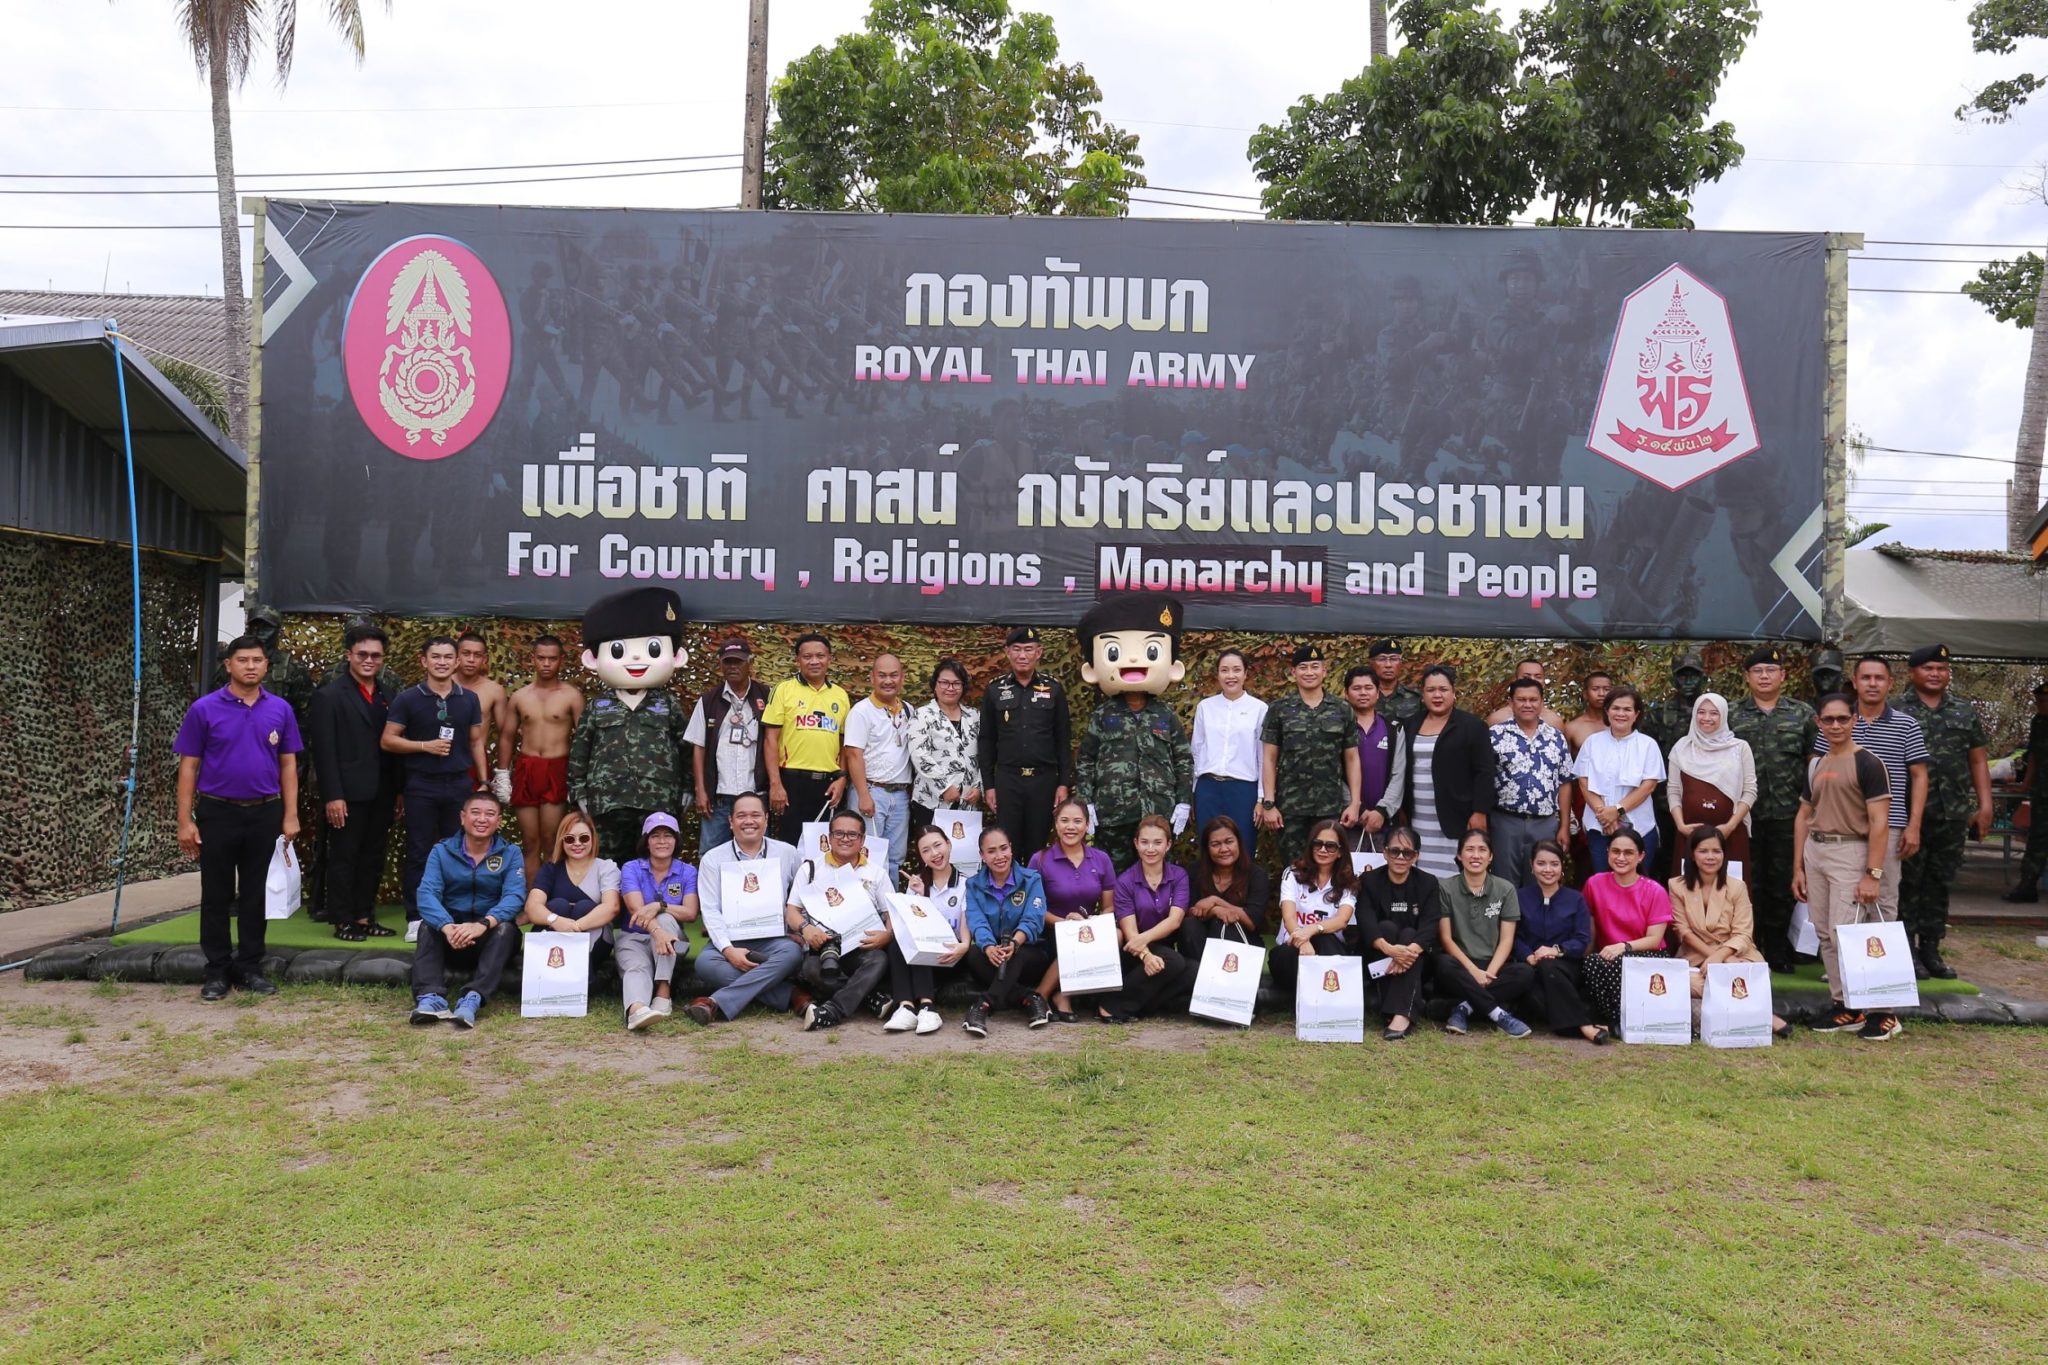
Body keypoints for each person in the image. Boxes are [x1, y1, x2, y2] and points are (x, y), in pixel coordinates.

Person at [174, 633, 303, 1001]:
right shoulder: (204, 709)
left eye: (257, 660)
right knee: (215, 893)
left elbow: (288, 764)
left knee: (255, 894)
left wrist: (291, 814)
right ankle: (216, 970)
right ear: (228, 665)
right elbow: (189, 766)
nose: (250, 666)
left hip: (265, 811)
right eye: (243, 660)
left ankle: (249, 967)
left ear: (266, 665)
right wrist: (185, 821)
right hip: (218, 811)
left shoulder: (280, 709)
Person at [1794, 693, 1901, 1041]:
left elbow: (1880, 822)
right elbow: (1804, 814)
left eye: (1843, 718)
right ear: (1818, 723)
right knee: (1825, 932)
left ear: (1854, 720)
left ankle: (1884, 1011)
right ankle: (1846, 1006)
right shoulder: (1816, 765)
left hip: (1852, 850)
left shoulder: (1868, 763)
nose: (1836, 725)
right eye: (1829, 719)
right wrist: (1798, 867)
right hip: (1816, 851)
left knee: (1854, 934)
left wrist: (1873, 874)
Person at [566, 587, 690, 865]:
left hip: (658, 800)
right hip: (608, 802)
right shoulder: (598, 706)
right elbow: (580, 753)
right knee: (607, 866)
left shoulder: (669, 704)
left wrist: (688, 789)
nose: (635, 659)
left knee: (654, 864)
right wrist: (579, 792)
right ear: (593, 659)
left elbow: (686, 749)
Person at [1072, 593, 1193, 871]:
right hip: (1114, 813)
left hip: (1157, 813)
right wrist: (1086, 802)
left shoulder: (1165, 715)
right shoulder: (1103, 715)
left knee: (1157, 876)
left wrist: (1183, 802)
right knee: (1113, 876)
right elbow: (1087, 760)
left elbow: (1183, 761)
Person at [1813, 655, 1929, 936]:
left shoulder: (1906, 725)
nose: (1872, 684)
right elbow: (1817, 771)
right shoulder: (1837, 721)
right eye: (1866, 678)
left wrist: (1913, 825)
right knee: (1842, 901)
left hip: (1888, 826)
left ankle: (1878, 961)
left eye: (1879, 678)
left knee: (1882, 899)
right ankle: (1842, 959)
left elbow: (1919, 776)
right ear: (1855, 682)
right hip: (1842, 830)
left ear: (1890, 683)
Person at [1897, 643, 1992, 979]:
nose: (1935, 674)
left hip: (1952, 812)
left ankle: (1931, 948)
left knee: (1940, 881)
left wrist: (1985, 804)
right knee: (1907, 883)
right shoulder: (1895, 709)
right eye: (1928, 668)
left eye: (1941, 669)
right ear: (1913, 672)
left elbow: (1977, 759)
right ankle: (1906, 949)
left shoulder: (1964, 711)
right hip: (1908, 812)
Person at [382, 636, 488, 928]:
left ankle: (455, 915)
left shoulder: (469, 699)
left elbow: (476, 742)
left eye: (447, 657)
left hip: (459, 785)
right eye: (436, 657)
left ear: (457, 661)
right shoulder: (408, 698)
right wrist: (424, 746)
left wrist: (484, 782)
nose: (442, 662)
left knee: (459, 851)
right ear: (424, 661)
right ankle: (416, 918)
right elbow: (388, 740)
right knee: (419, 852)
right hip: (421, 785)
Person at [306, 622, 399, 941]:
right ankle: (343, 919)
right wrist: (333, 795)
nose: (369, 660)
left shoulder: (388, 695)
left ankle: (364, 915)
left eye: (376, 655)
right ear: (349, 655)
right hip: (346, 793)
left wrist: (398, 790)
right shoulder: (329, 696)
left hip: (383, 790)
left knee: (373, 855)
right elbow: (324, 751)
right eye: (362, 654)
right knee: (345, 856)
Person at [1729, 645, 1818, 972]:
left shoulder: (1802, 714)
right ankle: (1747, 944)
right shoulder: (1732, 714)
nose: (1764, 676)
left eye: (1770, 670)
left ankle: (1778, 947)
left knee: (1783, 883)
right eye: (1757, 671)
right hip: (1743, 816)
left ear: (1783, 676)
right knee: (1746, 883)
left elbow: (1814, 763)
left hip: (1788, 815)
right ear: (1747, 677)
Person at [687, 792, 806, 1025]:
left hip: (774, 940)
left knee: (792, 953)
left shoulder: (788, 853)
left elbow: (803, 896)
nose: (749, 821)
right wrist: (728, 949)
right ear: (731, 822)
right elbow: (710, 910)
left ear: (766, 819)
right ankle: (791, 994)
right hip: (732, 938)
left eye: (755, 815)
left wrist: (799, 930)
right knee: (705, 963)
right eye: (741, 816)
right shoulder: (712, 859)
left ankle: (714, 1002)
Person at [410, 791, 525, 1029]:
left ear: (499, 821)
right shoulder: (441, 851)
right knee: (427, 925)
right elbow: (426, 893)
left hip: (489, 934)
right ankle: (431, 998)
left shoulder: (511, 852)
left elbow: (515, 897)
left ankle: (472, 998)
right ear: (463, 817)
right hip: (452, 934)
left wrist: (483, 924)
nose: (482, 819)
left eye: (489, 814)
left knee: (506, 929)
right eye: (475, 812)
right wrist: (446, 926)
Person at [1668, 826, 1788, 1037]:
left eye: (1716, 851)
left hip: (1737, 954)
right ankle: (1762, 1016)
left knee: (1753, 975)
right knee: (1683, 982)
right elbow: (1683, 932)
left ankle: (1733, 1011)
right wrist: (1715, 958)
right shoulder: (1676, 886)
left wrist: (1723, 956)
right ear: (1692, 855)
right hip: (1696, 956)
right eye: (1703, 851)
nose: (1710, 857)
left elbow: (1743, 933)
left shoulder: (1737, 886)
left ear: (1724, 855)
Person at [788, 809, 896, 1031]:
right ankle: (868, 995)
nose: (845, 839)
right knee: (811, 970)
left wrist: (887, 934)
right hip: (824, 946)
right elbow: (792, 911)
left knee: (879, 960)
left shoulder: (876, 873)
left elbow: (891, 913)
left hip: (861, 946)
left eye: (852, 834)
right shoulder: (810, 869)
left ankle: (832, 1011)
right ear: (829, 837)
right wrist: (805, 928)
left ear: (862, 840)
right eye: (839, 833)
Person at [1260, 644, 1361, 867]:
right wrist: (1269, 803)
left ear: (1324, 671)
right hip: (1290, 809)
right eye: (1303, 667)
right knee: (1294, 868)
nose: (1309, 672)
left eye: (1315, 666)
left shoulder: (1342, 709)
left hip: (1330, 807)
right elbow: (1269, 758)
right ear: (1293, 672)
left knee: (1328, 866)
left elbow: (1352, 758)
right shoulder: (1279, 709)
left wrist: (1355, 803)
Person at [979, 626, 1073, 859]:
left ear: (1038, 652)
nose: (1023, 655)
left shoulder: (1053, 689)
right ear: (1007, 652)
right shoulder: (995, 689)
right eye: (1017, 649)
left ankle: (1034, 884)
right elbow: (987, 740)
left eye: (1028, 649)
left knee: (1037, 847)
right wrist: (989, 785)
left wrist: (1063, 783)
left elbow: (1063, 739)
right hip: (1008, 780)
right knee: (1006, 845)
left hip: (1043, 780)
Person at [498, 634, 585, 884]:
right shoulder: (520, 696)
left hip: (557, 768)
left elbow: (584, 740)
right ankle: (530, 899)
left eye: (552, 659)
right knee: (529, 841)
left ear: (561, 660)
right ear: (532, 660)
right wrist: (502, 774)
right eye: (541, 658)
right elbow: (506, 737)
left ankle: (549, 897)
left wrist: (580, 779)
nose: (546, 664)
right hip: (527, 767)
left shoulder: (572, 696)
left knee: (551, 839)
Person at [1433, 828, 1535, 1037]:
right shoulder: (1445, 888)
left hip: (1493, 967)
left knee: (1525, 973)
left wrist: (1489, 973)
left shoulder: (1505, 889)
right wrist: (1474, 972)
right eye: (1469, 849)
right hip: (1461, 966)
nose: (1476, 855)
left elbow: (1506, 940)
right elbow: (1446, 938)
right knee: (1442, 964)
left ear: (1491, 856)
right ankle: (1499, 1014)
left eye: (1482, 850)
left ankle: (1464, 1008)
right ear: (1459, 855)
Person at [1401, 665, 1496, 880]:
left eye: (1443, 689)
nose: (1437, 695)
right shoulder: (1410, 725)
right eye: (1431, 690)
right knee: (1421, 876)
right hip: (1419, 815)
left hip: (1458, 814)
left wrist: (1480, 811)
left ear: (1454, 692)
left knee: (1454, 875)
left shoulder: (1472, 726)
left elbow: (1484, 771)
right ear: (1423, 694)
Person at [1100, 817, 1198, 1020]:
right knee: (1173, 961)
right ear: (1136, 843)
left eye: (1157, 842)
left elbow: (1175, 920)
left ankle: (1144, 1006)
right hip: (1133, 952)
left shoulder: (1179, 876)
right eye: (1144, 842)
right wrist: (1146, 955)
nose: (1150, 849)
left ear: (1168, 845)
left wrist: (1144, 939)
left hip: (1156, 945)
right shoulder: (1125, 881)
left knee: (1195, 971)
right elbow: (1130, 932)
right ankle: (1111, 1005)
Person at [1512, 840, 1610, 1044]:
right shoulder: (1520, 897)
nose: (1548, 869)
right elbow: (1515, 936)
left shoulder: (1575, 899)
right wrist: (1528, 955)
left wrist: (1556, 950)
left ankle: (1581, 1026)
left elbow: (1582, 939)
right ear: (1531, 865)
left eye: (1554, 864)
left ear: (1562, 866)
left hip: (1566, 967)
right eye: (1541, 863)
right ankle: (1582, 1024)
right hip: (1531, 966)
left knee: (1548, 966)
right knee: (1535, 995)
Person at [1029, 798, 1117, 1022]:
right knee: (1074, 939)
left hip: (1087, 928)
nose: (1071, 827)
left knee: (1116, 934)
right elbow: (1034, 908)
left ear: (1087, 825)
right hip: (1051, 929)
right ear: (1056, 824)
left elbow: (1109, 906)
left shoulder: (1101, 859)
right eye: (1064, 820)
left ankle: (1064, 995)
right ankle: (1040, 995)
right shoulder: (1040, 859)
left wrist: (1094, 924)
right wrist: (1065, 923)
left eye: (1077, 821)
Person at [961, 825, 1054, 1037]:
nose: (999, 856)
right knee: (973, 954)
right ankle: (1030, 998)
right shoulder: (973, 885)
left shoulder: (1032, 879)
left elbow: (1033, 918)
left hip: (1029, 951)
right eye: (991, 851)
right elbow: (976, 920)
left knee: (1015, 955)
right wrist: (988, 947)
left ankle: (983, 1005)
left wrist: (1015, 942)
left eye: (1003, 848)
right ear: (982, 856)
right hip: (994, 955)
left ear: (1011, 848)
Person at [684, 635, 771, 860]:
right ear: (720, 665)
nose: (733, 667)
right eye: (728, 662)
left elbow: (775, 743)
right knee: (710, 855)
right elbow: (698, 747)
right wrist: (700, 790)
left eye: (738, 661)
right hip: (719, 797)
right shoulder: (708, 700)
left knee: (757, 856)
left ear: (750, 662)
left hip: (755, 795)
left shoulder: (767, 697)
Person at [1579, 827, 1677, 1025]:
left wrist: (1623, 947)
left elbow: (1655, 939)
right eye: (1616, 851)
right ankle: (1614, 1020)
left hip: (1647, 955)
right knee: (1590, 963)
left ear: (1641, 856)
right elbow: (1590, 928)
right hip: (1608, 956)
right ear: (1607, 853)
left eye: (1628, 853)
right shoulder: (1594, 884)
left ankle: (1626, 1020)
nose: (1621, 857)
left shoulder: (1655, 890)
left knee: (1615, 963)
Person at [763, 632, 852, 844]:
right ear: (798, 660)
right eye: (807, 656)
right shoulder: (783, 690)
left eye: (820, 656)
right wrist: (775, 784)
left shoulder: (840, 695)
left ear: (829, 659)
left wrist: (842, 779)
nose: (814, 661)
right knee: (789, 845)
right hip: (791, 783)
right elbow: (770, 740)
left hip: (828, 785)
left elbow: (844, 743)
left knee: (824, 847)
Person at [1355, 826, 1441, 1040]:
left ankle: (1399, 1013)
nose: (1401, 857)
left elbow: (1431, 924)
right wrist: (1391, 950)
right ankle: (1399, 1010)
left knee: (1410, 933)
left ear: (1416, 856)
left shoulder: (1428, 882)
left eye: (1407, 853)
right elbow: (1365, 920)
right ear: (1384, 852)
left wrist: (1407, 953)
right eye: (1395, 851)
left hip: (1417, 959)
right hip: (1378, 956)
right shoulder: (1369, 880)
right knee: (1386, 928)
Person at [615, 813, 698, 1030]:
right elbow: (635, 908)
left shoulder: (688, 871)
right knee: (636, 967)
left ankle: (663, 990)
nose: (662, 841)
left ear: (676, 840)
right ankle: (637, 1010)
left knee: (665, 917)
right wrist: (658, 932)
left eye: (668, 835)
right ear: (646, 841)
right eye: (655, 836)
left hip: (673, 941)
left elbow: (690, 913)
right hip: (634, 936)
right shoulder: (631, 868)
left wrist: (659, 906)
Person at [886, 825, 972, 1035]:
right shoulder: (916, 883)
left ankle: (927, 1008)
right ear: (921, 856)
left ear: (948, 844)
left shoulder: (966, 883)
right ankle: (906, 1007)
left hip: (951, 954)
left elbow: (965, 922)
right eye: (926, 850)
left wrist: (964, 945)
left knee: (925, 944)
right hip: (924, 954)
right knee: (899, 941)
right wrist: (921, 894)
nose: (934, 854)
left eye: (937, 845)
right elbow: (913, 925)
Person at [1487, 677, 1572, 886]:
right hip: (1505, 821)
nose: (1527, 704)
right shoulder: (1495, 735)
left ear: (1542, 702)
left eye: (1533, 700)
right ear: (1511, 702)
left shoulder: (1556, 737)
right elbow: (1483, 779)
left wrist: (1564, 825)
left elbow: (1565, 782)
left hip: (1544, 824)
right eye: (1521, 699)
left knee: (1541, 883)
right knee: (1504, 884)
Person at [1572, 684, 1665, 875]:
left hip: (1639, 827)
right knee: (1602, 881)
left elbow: (1648, 786)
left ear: (1636, 714)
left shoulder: (1648, 745)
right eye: (1616, 708)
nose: (1621, 714)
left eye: (1627, 709)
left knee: (1637, 882)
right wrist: (1605, 816)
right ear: (1607, 711)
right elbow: (1584, 782)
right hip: (1600, 827)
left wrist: (1617, 811)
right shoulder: (1592, 742)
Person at [1271, 818, 1360, 999]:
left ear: (1340, 852)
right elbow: (1289, 918)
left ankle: (1321, 998)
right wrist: (1303, 941)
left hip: (1329, 950)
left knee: (1324, 938)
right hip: (1292, 948)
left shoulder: (1349, 881)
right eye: (1317, 844)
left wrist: (1312, 929)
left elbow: (1342, 920)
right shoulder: (1292, 873)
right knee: (1286, 954)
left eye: (1330, 846)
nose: (1323, 850)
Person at [844, 653, 917, 873]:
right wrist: (863, 795)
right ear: (872, 677)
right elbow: (853, 754)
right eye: (882, 675)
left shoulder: (909, 711)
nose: (888, 681)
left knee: (895, 859)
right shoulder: (861, 711)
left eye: (893, 675)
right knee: (867, 856)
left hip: (900, 795)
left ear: (902, 677)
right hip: (871, 791)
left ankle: (889, 897)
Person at [1668, 692, 1756, 870]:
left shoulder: (1740, 748)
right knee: (1688, 885)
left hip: (1730, 833)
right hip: (1689, 834)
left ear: (1723, 715)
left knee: (1730, 886)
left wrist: (1729, 827)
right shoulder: (1682, 747)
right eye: (1701, 712)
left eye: (1714, 713)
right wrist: (1681, 826)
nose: (1707, 718)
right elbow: (1673, 790)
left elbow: (1750, 791)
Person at [1190, 650, 1267, 850]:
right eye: (1224, 670)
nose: (1230, 676)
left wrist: (1261, 798)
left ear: (1245, 674)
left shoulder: (1259, 709)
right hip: (1208, 789)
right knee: (1209, 847)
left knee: (1243, 846)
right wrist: (1193, 793)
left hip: (1243, 790)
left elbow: (1262, 756)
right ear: (1217, 674)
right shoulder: (1205, 707)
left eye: (1236, 670)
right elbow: (1196, 751)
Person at [908, 658, 982, 845]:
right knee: (933, 852)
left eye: (956, 683)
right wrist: (944, 787)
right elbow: (919, 754)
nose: (950, 688)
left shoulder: (974, 716)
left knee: (964, 853)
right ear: (935, 685)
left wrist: (979, 787)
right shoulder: (922, 715)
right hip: (932, 801)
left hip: (968, 802)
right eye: (944, 682)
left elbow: (986, 753)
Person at [1181, 816, 1270, 960]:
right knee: (1190, 925)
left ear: (1239, 843)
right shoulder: (1195, 870)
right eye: (1215, 844)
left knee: (1224, 924)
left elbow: (1251, 922)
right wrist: (1216, 911)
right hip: (1201, 944)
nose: (1223, 849)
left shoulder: (1256, 875)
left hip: (1242, 945)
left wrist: (1216, 901)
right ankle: (1198, 971)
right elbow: (1190, 912)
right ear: (1207, 848)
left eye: (1229, 842)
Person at [1341, 667, 1408, 849]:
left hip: (1385, 823)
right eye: (1356, 688)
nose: (1363, 693)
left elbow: (1398, 774)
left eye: (1368, 688)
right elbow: (1334, 774)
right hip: (1348, 821)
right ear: (1346, 694)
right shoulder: (1338, 730)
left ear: (1377, 693)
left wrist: (1381, 811)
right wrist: (1357, 808)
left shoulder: (1393, 729)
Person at [2003, 681, 2048, 903]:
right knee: (2038, 839)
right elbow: (2034, 756)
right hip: (2043, 792)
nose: (2039, 705)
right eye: (2038, 701)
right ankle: (2027, 885)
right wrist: (2025, 785)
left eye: (2044, 701)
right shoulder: (2039, 722)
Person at [454, 630, 510, 785]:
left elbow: (505, 734)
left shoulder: (494, 690)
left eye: (477, 655)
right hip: (442, 757)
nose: (471, 660)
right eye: (466, 653)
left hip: (476, 759)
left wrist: (503, 773)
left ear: (484, 659)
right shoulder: (442, 684)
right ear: (457, 655)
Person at [1484, 658, 1567, 729]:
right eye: (1526, 677)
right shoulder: (1497, 719)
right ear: (1515, 680)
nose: (1532, 680)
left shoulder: (1554, 721)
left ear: (1544, 682)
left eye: (1538, 677)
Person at [1368, 639, 1423, 727]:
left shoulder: (1416, 698)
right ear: (1371, 664)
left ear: (1400, 664)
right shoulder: (1363, 696)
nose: (1388, 665)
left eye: (1394, 659)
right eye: (1382, 659)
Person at [1563, 670, 1614, 755]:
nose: (1601, 694)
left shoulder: (1620, 724)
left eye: (1606, 689)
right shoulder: (1572, 728)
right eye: (1595, 689)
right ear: (1585, 694)